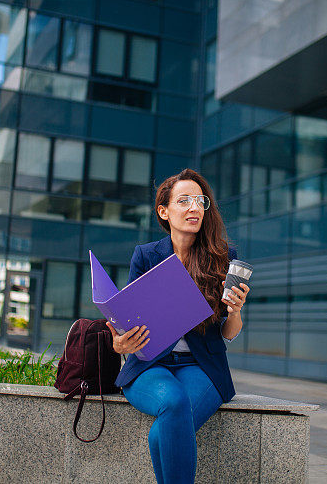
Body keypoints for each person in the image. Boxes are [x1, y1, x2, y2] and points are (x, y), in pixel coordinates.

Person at [106, 168, 249, 484]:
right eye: (184, 201)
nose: (194, 208)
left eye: (200, 201)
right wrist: (119, 343)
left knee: (165, 428)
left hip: (203, 365)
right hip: (149, 363)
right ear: (164, 211)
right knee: (172, 401)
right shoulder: (146, 255)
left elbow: (228, 331)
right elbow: (127, 318)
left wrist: (235, 311)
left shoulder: (223, 256)